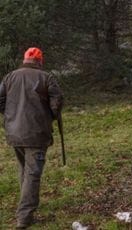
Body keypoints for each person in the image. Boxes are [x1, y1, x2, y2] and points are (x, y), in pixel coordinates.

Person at [0, 47, 63, 229]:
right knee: (32, 174)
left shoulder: (9, 77)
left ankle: (25, 209)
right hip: (36, 134)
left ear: (25, 59)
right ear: (40, 61)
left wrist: (10, 115)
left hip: (14, 133)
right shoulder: (47, 78)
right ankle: (24, 217)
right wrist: (49, 116)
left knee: (25, 171)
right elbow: (57, 102)